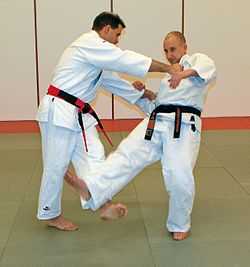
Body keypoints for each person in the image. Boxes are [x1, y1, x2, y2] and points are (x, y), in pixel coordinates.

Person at [64, 31, 217, 240]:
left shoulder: (197, 60)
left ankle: (180, 223)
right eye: (165, 51)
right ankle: (91, 187)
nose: (169, 55)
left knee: (178, 173)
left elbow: (208, 71)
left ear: (184, 47)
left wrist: (183, 73)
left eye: (173, 49)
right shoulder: (166, 79)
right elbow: (156, 105)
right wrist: (145, 94)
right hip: (156, 121)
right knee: (126, 155)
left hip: (183, 125)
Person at [36, 12, 181, 231]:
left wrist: (144, 95)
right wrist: (167, 68)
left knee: (95, 156)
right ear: (105, 29)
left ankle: (100, 202)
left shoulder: (97, 58)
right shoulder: (88, 43)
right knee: (56, 165)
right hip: (59, 110)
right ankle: (50, 214)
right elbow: (125, 60)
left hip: (79, 115)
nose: (117, 40)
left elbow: (113, 82)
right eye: (117, 34)